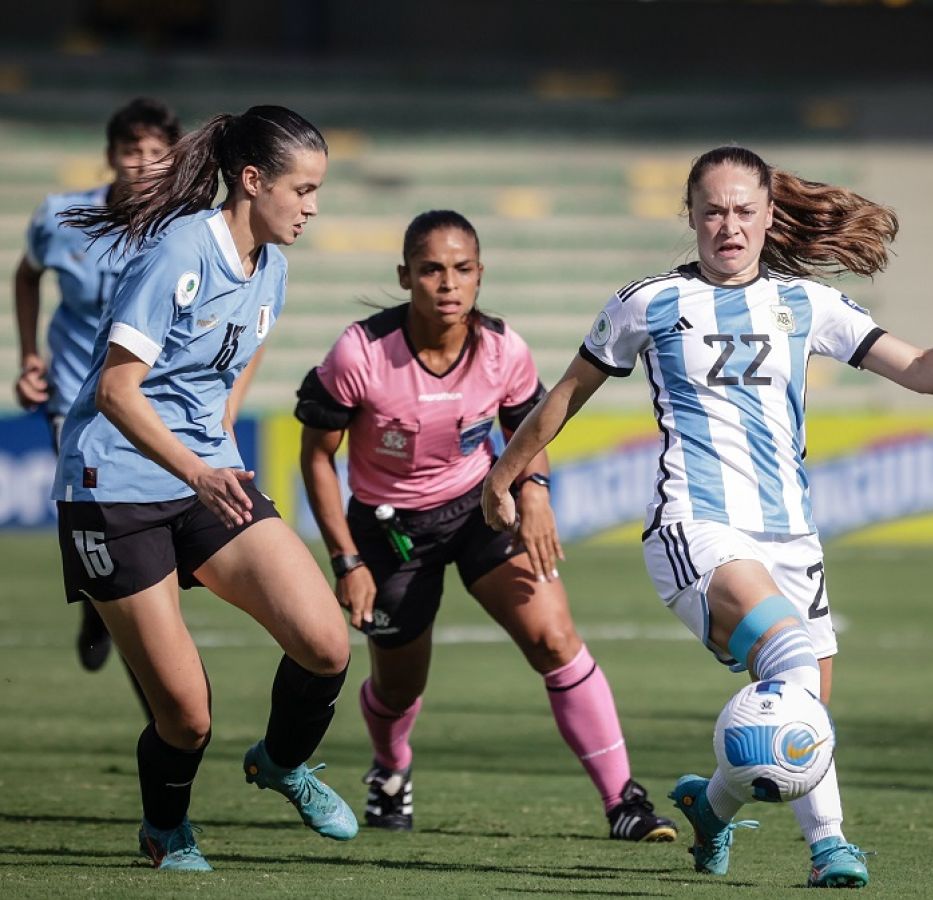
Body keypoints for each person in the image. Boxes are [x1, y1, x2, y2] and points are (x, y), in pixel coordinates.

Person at [482, 146, 933, 887]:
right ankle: (831, 846)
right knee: (794, 660)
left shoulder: (808, 304)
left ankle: (710, 809)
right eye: (713, 211)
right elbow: (565, 396)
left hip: (792, 539)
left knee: (804, 719)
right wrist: (504, 476)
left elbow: (927, 372)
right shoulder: (649, 302)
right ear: (691, 216)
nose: (728, 227)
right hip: (695, 526)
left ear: (770, 215)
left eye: (744, 211)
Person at [295, 209, 679, 843]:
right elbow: (316, 456)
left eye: (462, 270)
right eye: (431, 270)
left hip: (480, 509)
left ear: (480, 276)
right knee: (397, 687)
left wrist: (535, 493)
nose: (448, 284)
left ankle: (624, 802)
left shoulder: (504, 348)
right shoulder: (360, 353)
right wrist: (346, 561)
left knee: (555, 639)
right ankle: (391, 770)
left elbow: (528, 433)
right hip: (391, 531)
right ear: (405, 276)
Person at [54, 105, 357, 872]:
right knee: (186, 719)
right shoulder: (182, 250)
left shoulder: (275, 268)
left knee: (324, 642)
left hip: (204, 478)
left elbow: (237, 356)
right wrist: (196, 466)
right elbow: (120, 392)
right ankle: (166, 829)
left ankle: (283, 763)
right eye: (304, 189)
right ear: (252, 181)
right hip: (113, 487)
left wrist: (213, 438)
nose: (312, 207)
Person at [14, 98, 180, 697]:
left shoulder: (184, 230)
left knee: (147, 535)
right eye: (130, 151)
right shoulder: (61, 216)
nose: (141, 164)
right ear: (110, 156)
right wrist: (29, 354)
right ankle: (158, 701)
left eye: (156, 154)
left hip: (149, 402)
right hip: (77, 405)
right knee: (109, 521)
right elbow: (28, 273)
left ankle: (98, 597)